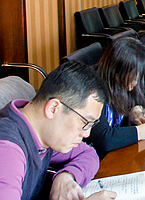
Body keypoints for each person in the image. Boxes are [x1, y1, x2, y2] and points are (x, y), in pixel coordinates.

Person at [0, 61, 116, 200]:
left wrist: (66, 176)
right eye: (85, 123)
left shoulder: (42, 134)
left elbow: (88, 154)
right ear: (53, 108)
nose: (86, 134)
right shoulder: (8, 149)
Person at [86, 37, 145, 159]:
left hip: (118, 153)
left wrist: (137, 108)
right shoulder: (92, 88)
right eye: (133, 77)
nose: (135, 83)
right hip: (98, 159)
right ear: (118, 70)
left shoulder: (122, 81)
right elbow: (104, 139)